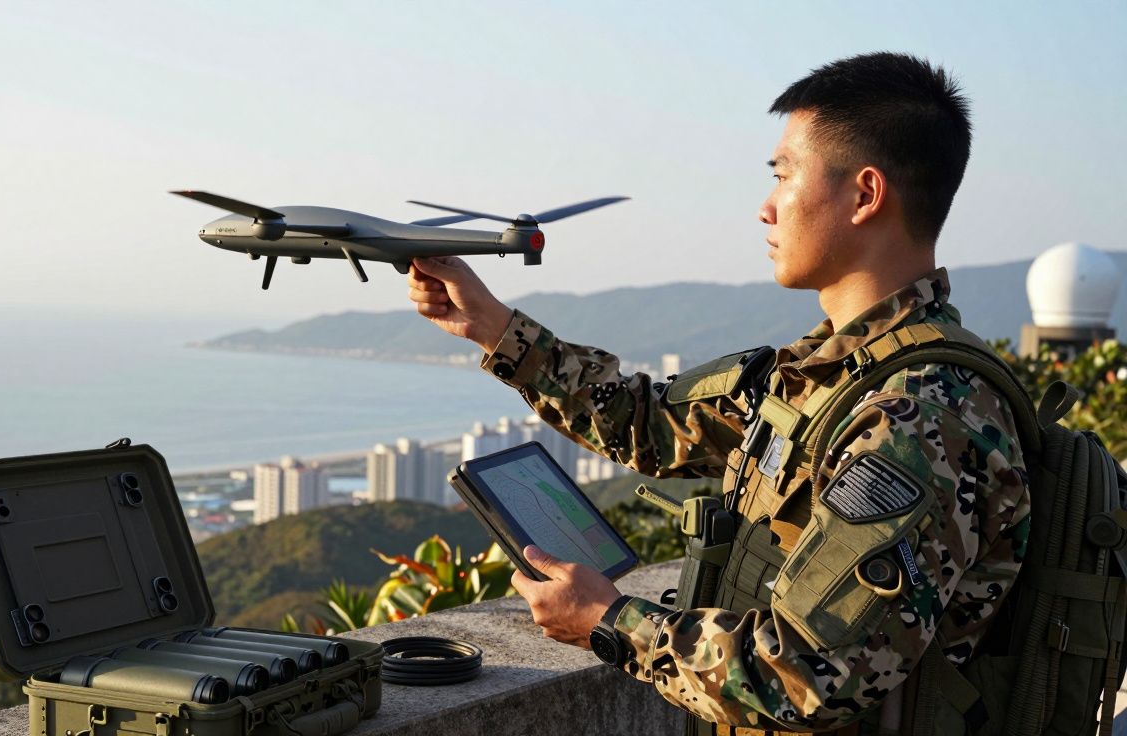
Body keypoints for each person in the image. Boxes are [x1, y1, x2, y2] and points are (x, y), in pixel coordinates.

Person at [405, 53, 1030, 735]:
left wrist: (612, 621)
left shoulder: (919, 414)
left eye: (784, 174)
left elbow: (810, 673)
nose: (766, 206)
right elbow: (647, 420)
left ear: (865, 194)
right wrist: (495, 328)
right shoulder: (829, 376)